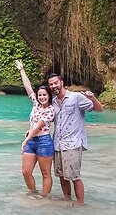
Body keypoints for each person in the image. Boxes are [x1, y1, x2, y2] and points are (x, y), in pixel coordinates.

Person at [47, 73, 104, 207]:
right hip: (58, 144)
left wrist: (93, 98)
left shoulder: (76, 97)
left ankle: (80, 203)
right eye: (51, 84)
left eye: (56, 83)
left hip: (73, 143)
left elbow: (99, 109)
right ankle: (67, 199)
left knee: (74, 176)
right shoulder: (53, 102)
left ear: (61, 82)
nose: (54, 86)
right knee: (61, 175)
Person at [16, 60, 55, 199]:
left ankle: (44, 198)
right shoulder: (36, 104)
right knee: (26, 171)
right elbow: (27, 86)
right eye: (40, 95)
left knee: (46, 174)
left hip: (44, 141)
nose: (42, 97)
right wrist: (21, 70)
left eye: (45, 95)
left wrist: (25, 140)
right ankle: (33, 193)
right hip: (32, 142)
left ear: (49, 96)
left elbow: (38, 126)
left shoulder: (51, 110)